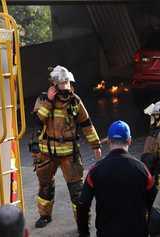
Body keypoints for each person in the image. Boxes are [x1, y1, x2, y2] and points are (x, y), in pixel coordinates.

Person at [32, 65, 102, 228]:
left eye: (68, 84)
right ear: (54, 85)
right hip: (47, 153)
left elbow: (87, 124)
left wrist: (96, 145)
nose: (66, 88)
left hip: (70, 154)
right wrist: (49, 101)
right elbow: (37, 121)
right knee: (45, 187)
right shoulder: (43, 99)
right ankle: (45, 216)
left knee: (77, 192)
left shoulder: (75, 101)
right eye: (62, 85)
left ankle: (83, 222)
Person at [77, 120, 156, 237]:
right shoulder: (142, 169)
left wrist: (84, 233)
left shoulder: (95, 170)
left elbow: (82, 205)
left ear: (108, 141)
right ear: (129, 140)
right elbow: (154, 205)